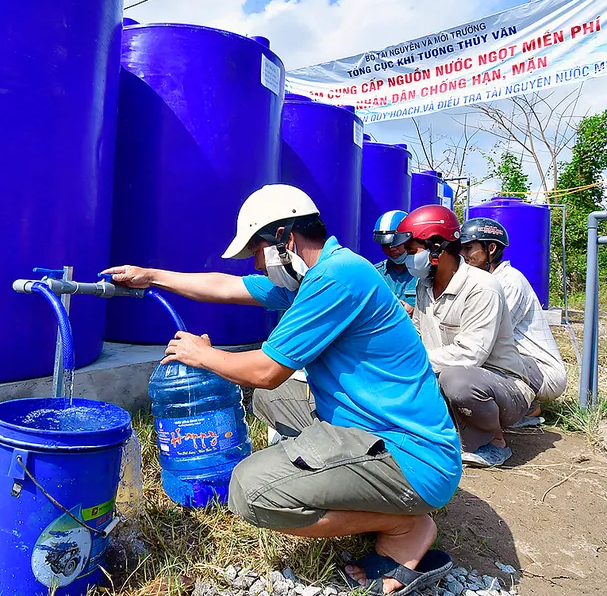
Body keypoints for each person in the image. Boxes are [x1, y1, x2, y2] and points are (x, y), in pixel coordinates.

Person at [105, 184, 460, 595]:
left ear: (283, 238)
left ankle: (405, 523)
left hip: (413, 458)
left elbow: (265, 370)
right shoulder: (311, 276)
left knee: (249, 490)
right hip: (371, 423)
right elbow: (224, 287)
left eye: (257, 253)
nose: (257, 265)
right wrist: (150, 276)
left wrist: (202, 355)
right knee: (274, 402)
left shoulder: (337, 277)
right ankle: (341, 480)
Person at [390, 205, 535, 468]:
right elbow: (421, 337)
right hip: (447, 376)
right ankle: (456, 432)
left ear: (437, 247)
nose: (408, 259)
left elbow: (471, 354)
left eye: (413, 252)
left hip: (502, 387)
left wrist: (410, 364)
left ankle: (495, 441)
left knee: (456, 379)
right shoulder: (425, 287)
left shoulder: (482, 287)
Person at [460, 218, 567, 427]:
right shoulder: (481, 281)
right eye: (461, 249)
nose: (463, 255)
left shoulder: (508, 282)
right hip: (517, 362)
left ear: (491, 248)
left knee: (471, 364)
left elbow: (485, 336)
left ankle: (523, 407)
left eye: (469, 248)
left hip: (541, 370)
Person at [372, 210, 417, 314]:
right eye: (385, 244)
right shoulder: (375, 273)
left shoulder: (424, 274)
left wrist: (414, 313)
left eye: (396, 243)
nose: (391, 248)